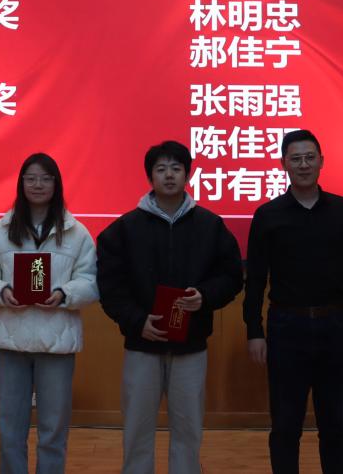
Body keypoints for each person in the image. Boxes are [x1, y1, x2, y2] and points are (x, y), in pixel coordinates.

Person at [97, 140, 243, 474]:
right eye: (161, 169)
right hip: (142, 345)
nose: (169, 175)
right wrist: (137, 321)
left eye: (176, 168)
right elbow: (110, 285)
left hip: (191, 346)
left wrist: (204, 296)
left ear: (187, 175)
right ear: (150, 177)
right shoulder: (125, 228)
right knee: (137, 429)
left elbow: (232, 276)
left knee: (188, 430)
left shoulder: (210, 225)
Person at [243, 129, 343, 474]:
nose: (303, 165)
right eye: (295, 158)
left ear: (321, 161)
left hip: (335, 324)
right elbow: (255, 278)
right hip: (286, 327)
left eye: (309, 157)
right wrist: (254, 331)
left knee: (335, 423)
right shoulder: (268, 214)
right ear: (283, 164)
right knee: (285, 424)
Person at [0, 152, 98, 474]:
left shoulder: (77, 233)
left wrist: (64, 294)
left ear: (56, 184)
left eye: (45, 178)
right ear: (21, 184)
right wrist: (2, 291)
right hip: (10, 342)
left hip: (57, 343)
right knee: (10, 430)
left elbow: (90, 282)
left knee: (53, 431)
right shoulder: (0, 230)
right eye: (31, 178)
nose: (38, 185)